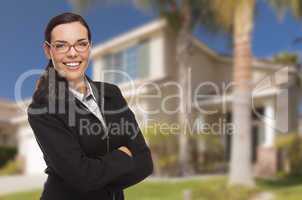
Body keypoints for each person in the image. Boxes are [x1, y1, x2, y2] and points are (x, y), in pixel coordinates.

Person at [27, 12, 153, 200]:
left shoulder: (112, 94)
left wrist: (96, 177)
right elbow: (82, 178)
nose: (72, 52)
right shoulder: (42, 110)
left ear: (89, 47)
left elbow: (144, 162)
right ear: (48, 50)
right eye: (61, 45)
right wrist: (124, 155)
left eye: (81, 43)